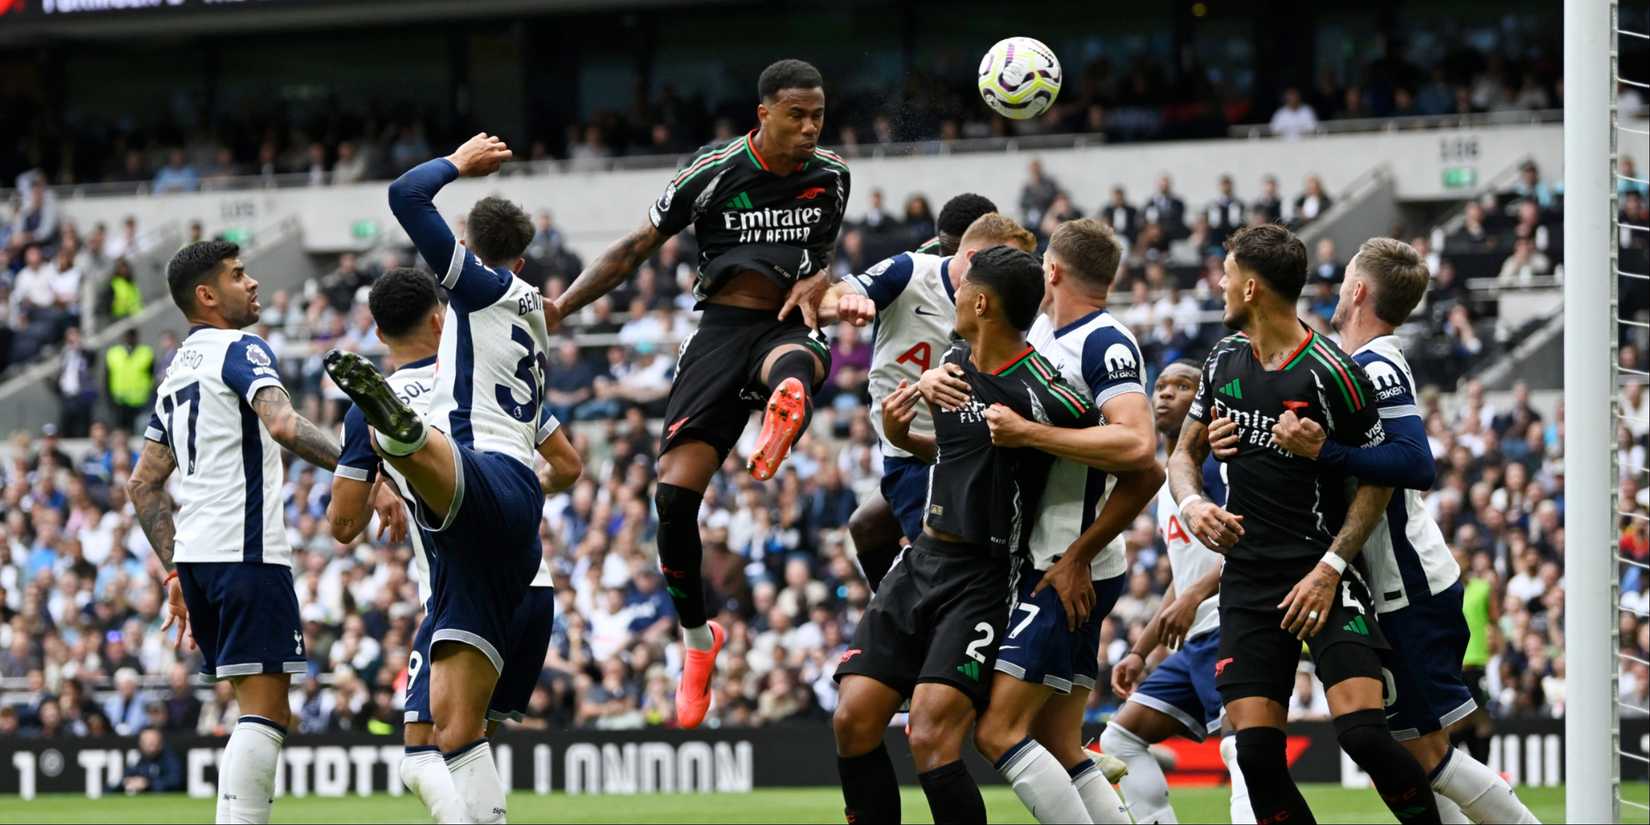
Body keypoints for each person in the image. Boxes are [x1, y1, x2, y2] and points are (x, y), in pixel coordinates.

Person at [546, 59, 852, 728]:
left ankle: (784, 413)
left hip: (785, 322)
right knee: (672, 497)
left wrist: (820, 281)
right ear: (764, 112)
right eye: (797, 115)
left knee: (796, 365)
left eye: (818, 117)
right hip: (719, 330)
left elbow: (822, 258)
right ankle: (696, 639)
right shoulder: (711, 173)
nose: (809, 128)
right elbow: (633, 248)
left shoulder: (832, 177)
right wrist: (564, 306)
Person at [1218, 237, 1540, 823]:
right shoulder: (1339, 364)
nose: (1337, 287)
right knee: (1415, 752)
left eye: (1344, 278)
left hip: (1406, 582)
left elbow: (1416, 464)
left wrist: (1328, 450)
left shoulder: (1377, 364)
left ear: (1359, 290)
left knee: (1427, 755)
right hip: (1381, 581)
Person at [1166, 224, 1440, 825]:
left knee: (1365, 737)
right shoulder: (1221, 359)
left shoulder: (1333, 372)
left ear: (1254, 287)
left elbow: (1380, 479)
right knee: (1257, 755)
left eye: (1228, 272)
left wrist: (1330, 567)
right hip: (1247, 580)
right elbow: (1183, 456)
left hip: (1320, 572)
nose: (1220, 282)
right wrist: (1194, 506)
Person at [323, 133, 549, 824]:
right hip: (517, 544)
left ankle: (403, 436)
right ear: (435, 317)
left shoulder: (477, 293)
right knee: (456, 738)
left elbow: (340, 526)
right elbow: (566, 464)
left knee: (423, 748)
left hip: (470, 490)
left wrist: (459, 163)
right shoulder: (532, 310)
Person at [831, 246, 1095, 825]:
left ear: (981, 302)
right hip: (921, 557)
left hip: (983, 574)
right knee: (852, 717)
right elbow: (961, 456)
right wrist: (907, 433)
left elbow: (1135, 462)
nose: (953, 291)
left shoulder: (1046, 392)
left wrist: (1080, 553)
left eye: (964, 283)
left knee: (929, 734)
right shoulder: (955, 360)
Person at [925, 218, 1163, 824]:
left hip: (1066, 562)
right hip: (1054, 558)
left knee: (999, 732)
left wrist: (1078, 554)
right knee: (1060, 742)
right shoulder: (1042, 338)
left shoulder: (1103, 343)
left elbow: (1141, 454)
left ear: (1051, 271)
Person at [126, 239, 341, 824]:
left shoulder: (175, 374)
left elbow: (143, 484)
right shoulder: (241, 347)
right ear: (207, 295)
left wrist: (173, 568)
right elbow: (284, 423)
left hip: (198, 561)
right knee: (268, 714)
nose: (251, 283)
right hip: (246, 554)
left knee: (257, 709)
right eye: (237, 275)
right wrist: (361, 468)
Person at [817, 194, 1001, 590]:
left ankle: (922, 628)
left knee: (944, 572)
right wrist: (846, 306)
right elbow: (830, 298)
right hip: (906, 441)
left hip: (948, 451)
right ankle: (902, 616)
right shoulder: (911, 272)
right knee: (866, 527)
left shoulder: (1000, 293)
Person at [1102, 358, 1254, 825]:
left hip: (1234, 625)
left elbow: (1252, 547)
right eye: (1161, 385)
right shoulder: (1172, 480)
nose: (1165, 394)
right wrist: (1140, 652)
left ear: (1204, 400)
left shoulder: (1221, 467)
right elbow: (1183, 578)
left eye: (1183, 386)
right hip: (1195, 641)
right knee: (1119, 742)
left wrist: (1192, 599)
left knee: (1240, 747)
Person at [105, 327, 156, 433]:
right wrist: (109, 399)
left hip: (140, 401)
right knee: (121, 432)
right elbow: (107, 378)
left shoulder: (146, 352)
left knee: (139, 431)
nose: (130, 339)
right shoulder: (114, 353)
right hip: (119, 401)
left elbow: (152, 376)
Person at [118, 728, 184, 795]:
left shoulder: (170, 759)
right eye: (146, 741)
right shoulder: (137, 759)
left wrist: (148, 784)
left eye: (153, 740)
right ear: (140, 743)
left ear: (160, 743)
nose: (150, 744)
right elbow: (125, 779)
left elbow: (175, 781)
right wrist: (128, 782)